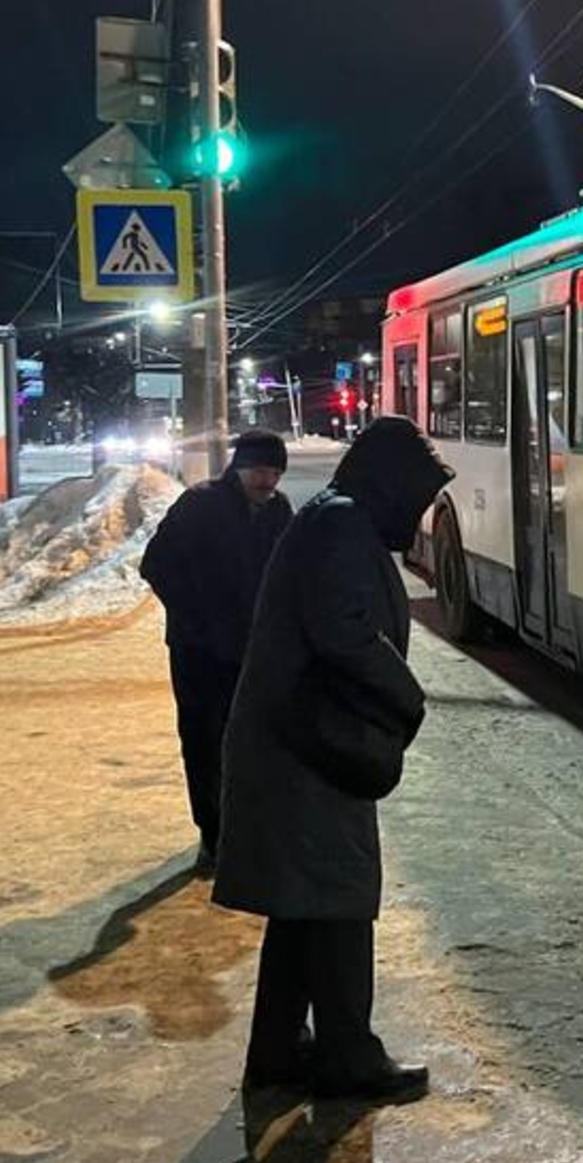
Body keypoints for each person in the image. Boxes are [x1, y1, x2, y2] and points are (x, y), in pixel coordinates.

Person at [213, 416, 453, 1102]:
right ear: (389, 485)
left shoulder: (337, 519)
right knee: (340, 902)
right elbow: (345, 635)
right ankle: (349, 1056)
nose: (419, 512)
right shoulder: (341, 526)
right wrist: (408, 696)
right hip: (308, 754)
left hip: (294, 745)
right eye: (417, 495)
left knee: (302, 905)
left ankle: (280, 1050)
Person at [140, 430, 293, 871]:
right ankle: (213, 833)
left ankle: (247, 829)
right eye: (260, 470)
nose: (268, 480)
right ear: (240, 467)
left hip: (250, 651)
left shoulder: (279, 510)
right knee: (204, 741)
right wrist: (196, 616)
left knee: (250, 741)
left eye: (275, 472)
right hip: (199, 651)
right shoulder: (199, 505)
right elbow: (156, 564)